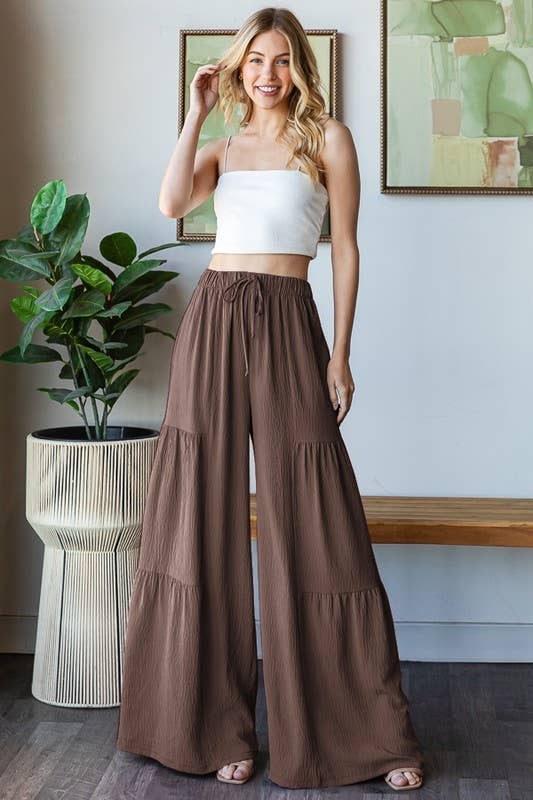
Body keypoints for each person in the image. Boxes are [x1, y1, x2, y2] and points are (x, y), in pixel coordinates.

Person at [115, 6, 424, 792]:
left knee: (314, 518)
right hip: (214, 319)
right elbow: (170, 204)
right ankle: (212, 729)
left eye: (282, 60)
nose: (268, 74)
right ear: (236, 68)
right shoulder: (220, 146)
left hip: (290, 323)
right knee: (200, 519)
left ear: (300, 69)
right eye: (255, 60)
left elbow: (346, 247)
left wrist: (342, 354)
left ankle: (365, 737)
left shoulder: (327, 141)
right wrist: (192, 114)